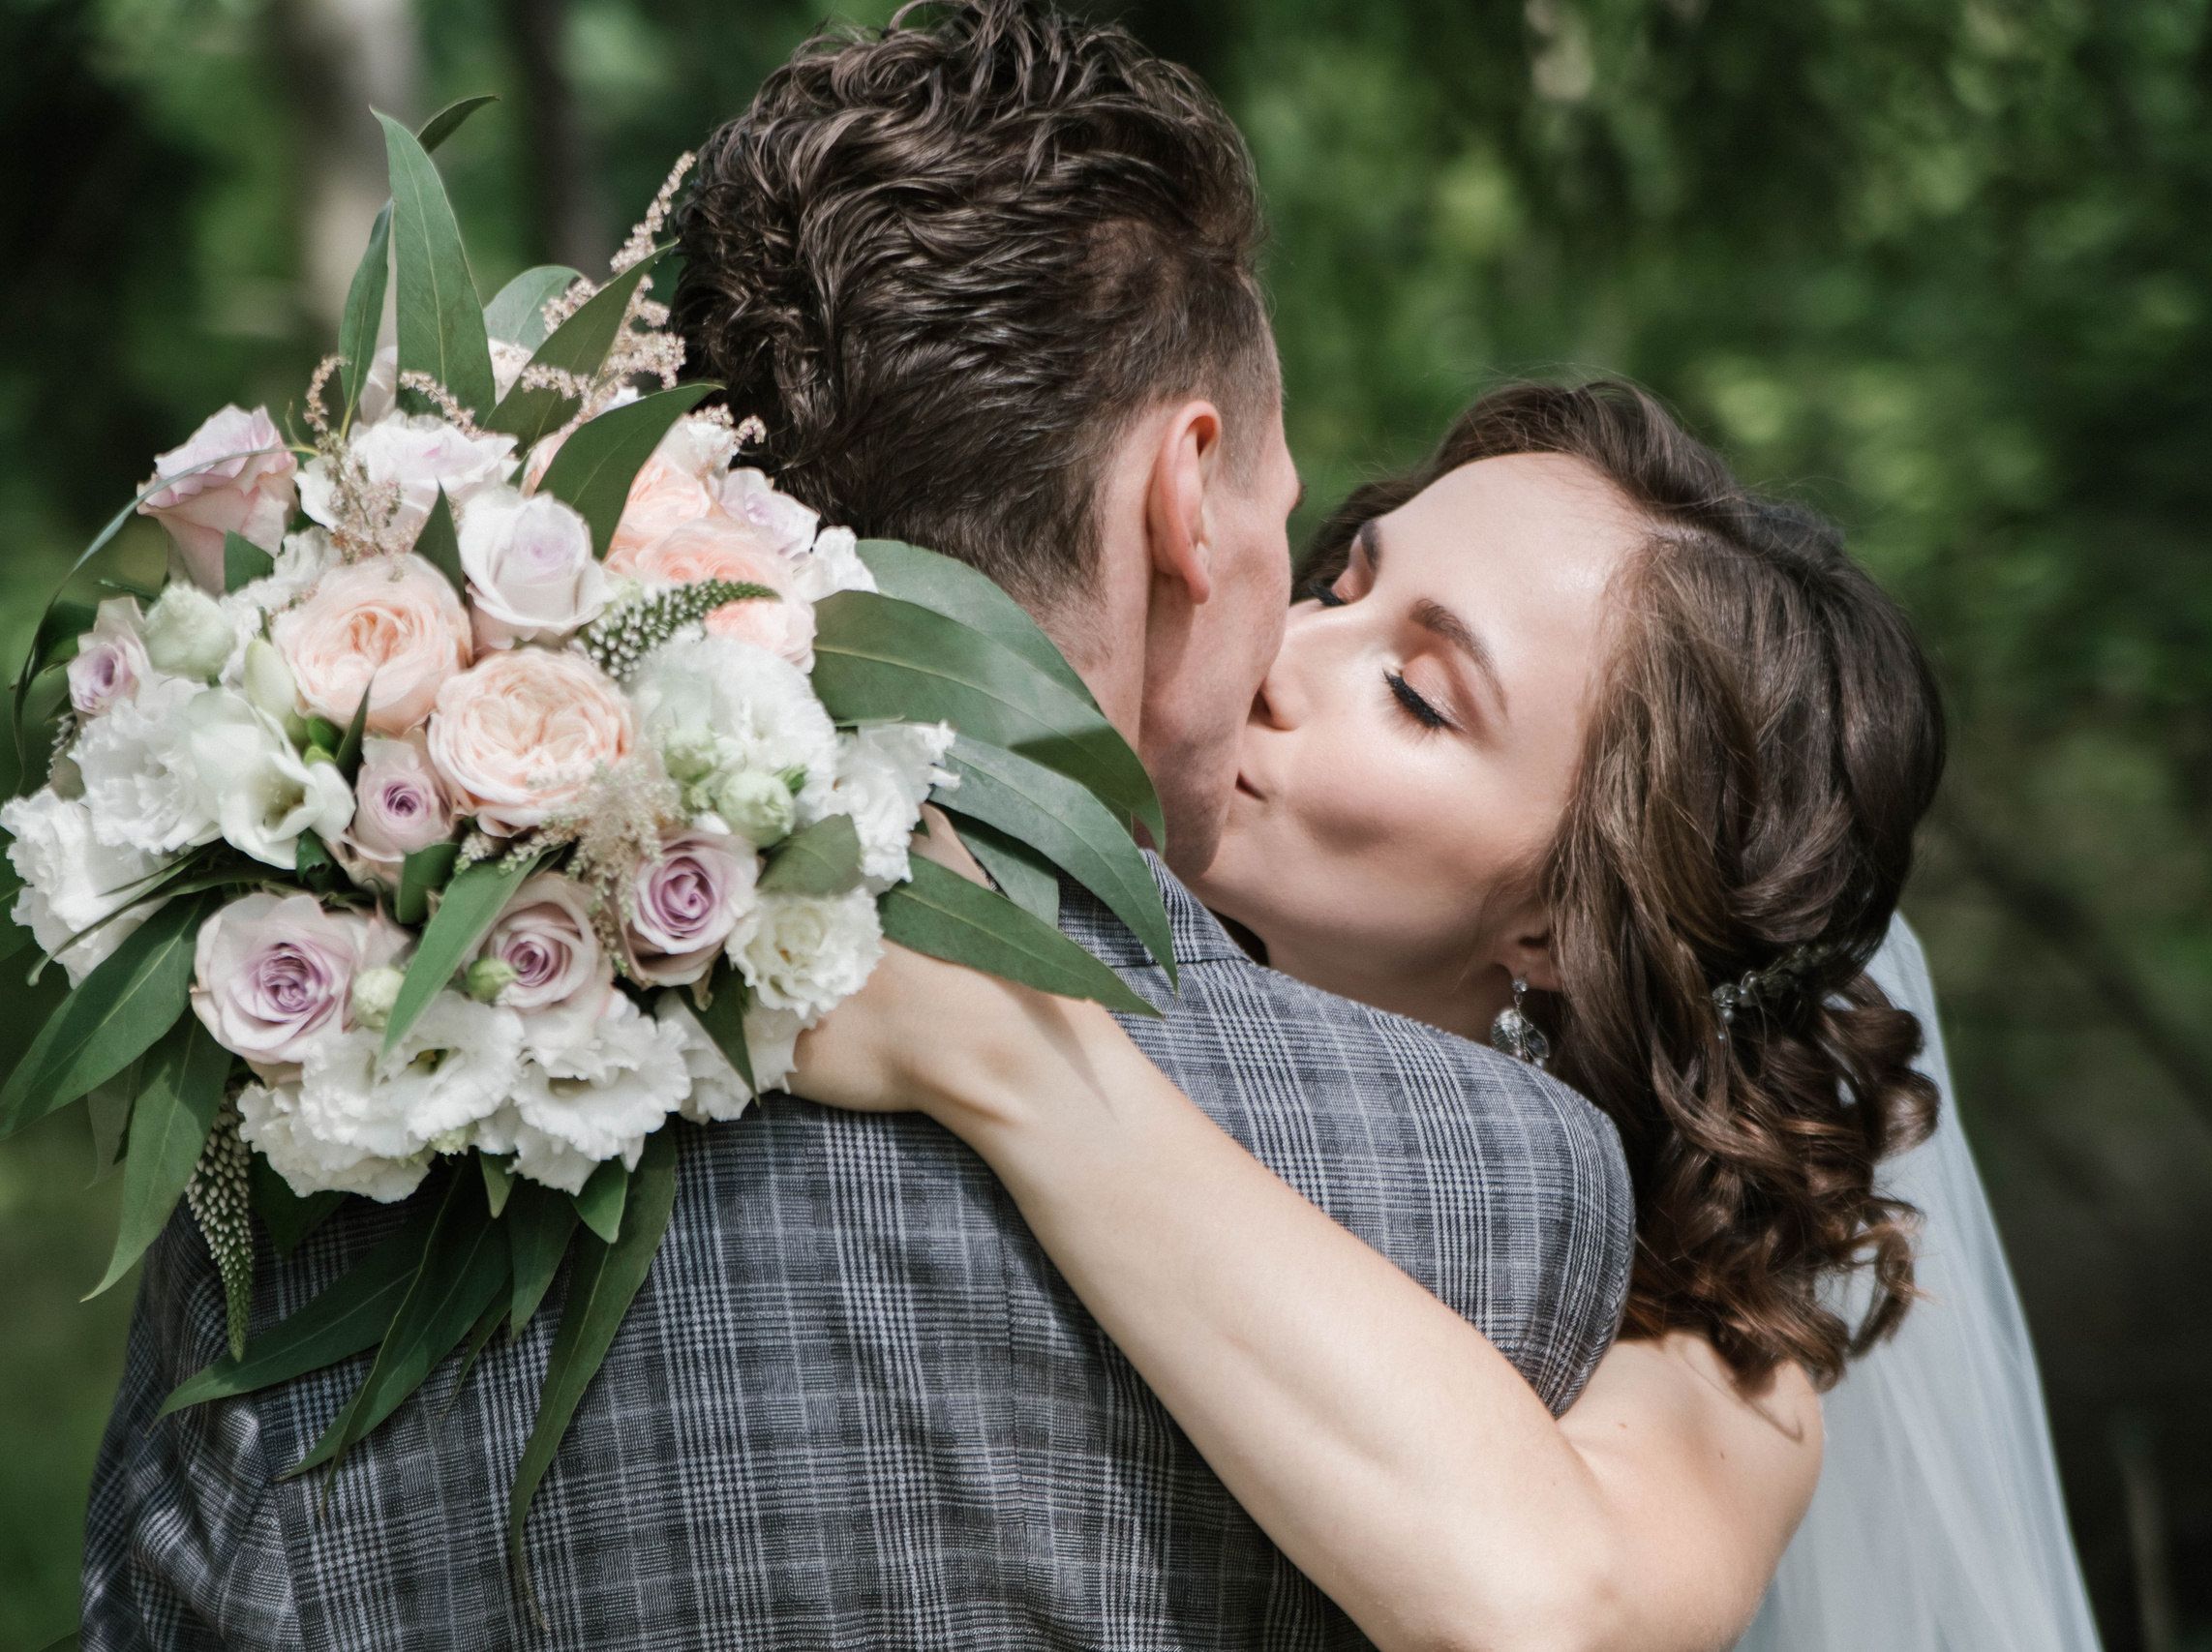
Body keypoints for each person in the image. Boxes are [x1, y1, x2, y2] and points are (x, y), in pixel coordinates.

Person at [80, 8, 1640, 1647]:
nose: (1290, 654)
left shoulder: (326, 1135)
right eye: (1297, 530)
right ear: (1188, 497)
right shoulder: (1502, 1187)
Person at [793, 377, 1956, 1651]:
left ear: (1559, 929)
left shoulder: (1715, 1362)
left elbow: (1547, 1612)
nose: (1280, 652)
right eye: (1342, 589)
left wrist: (1022, 1068)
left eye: (1414, 691)